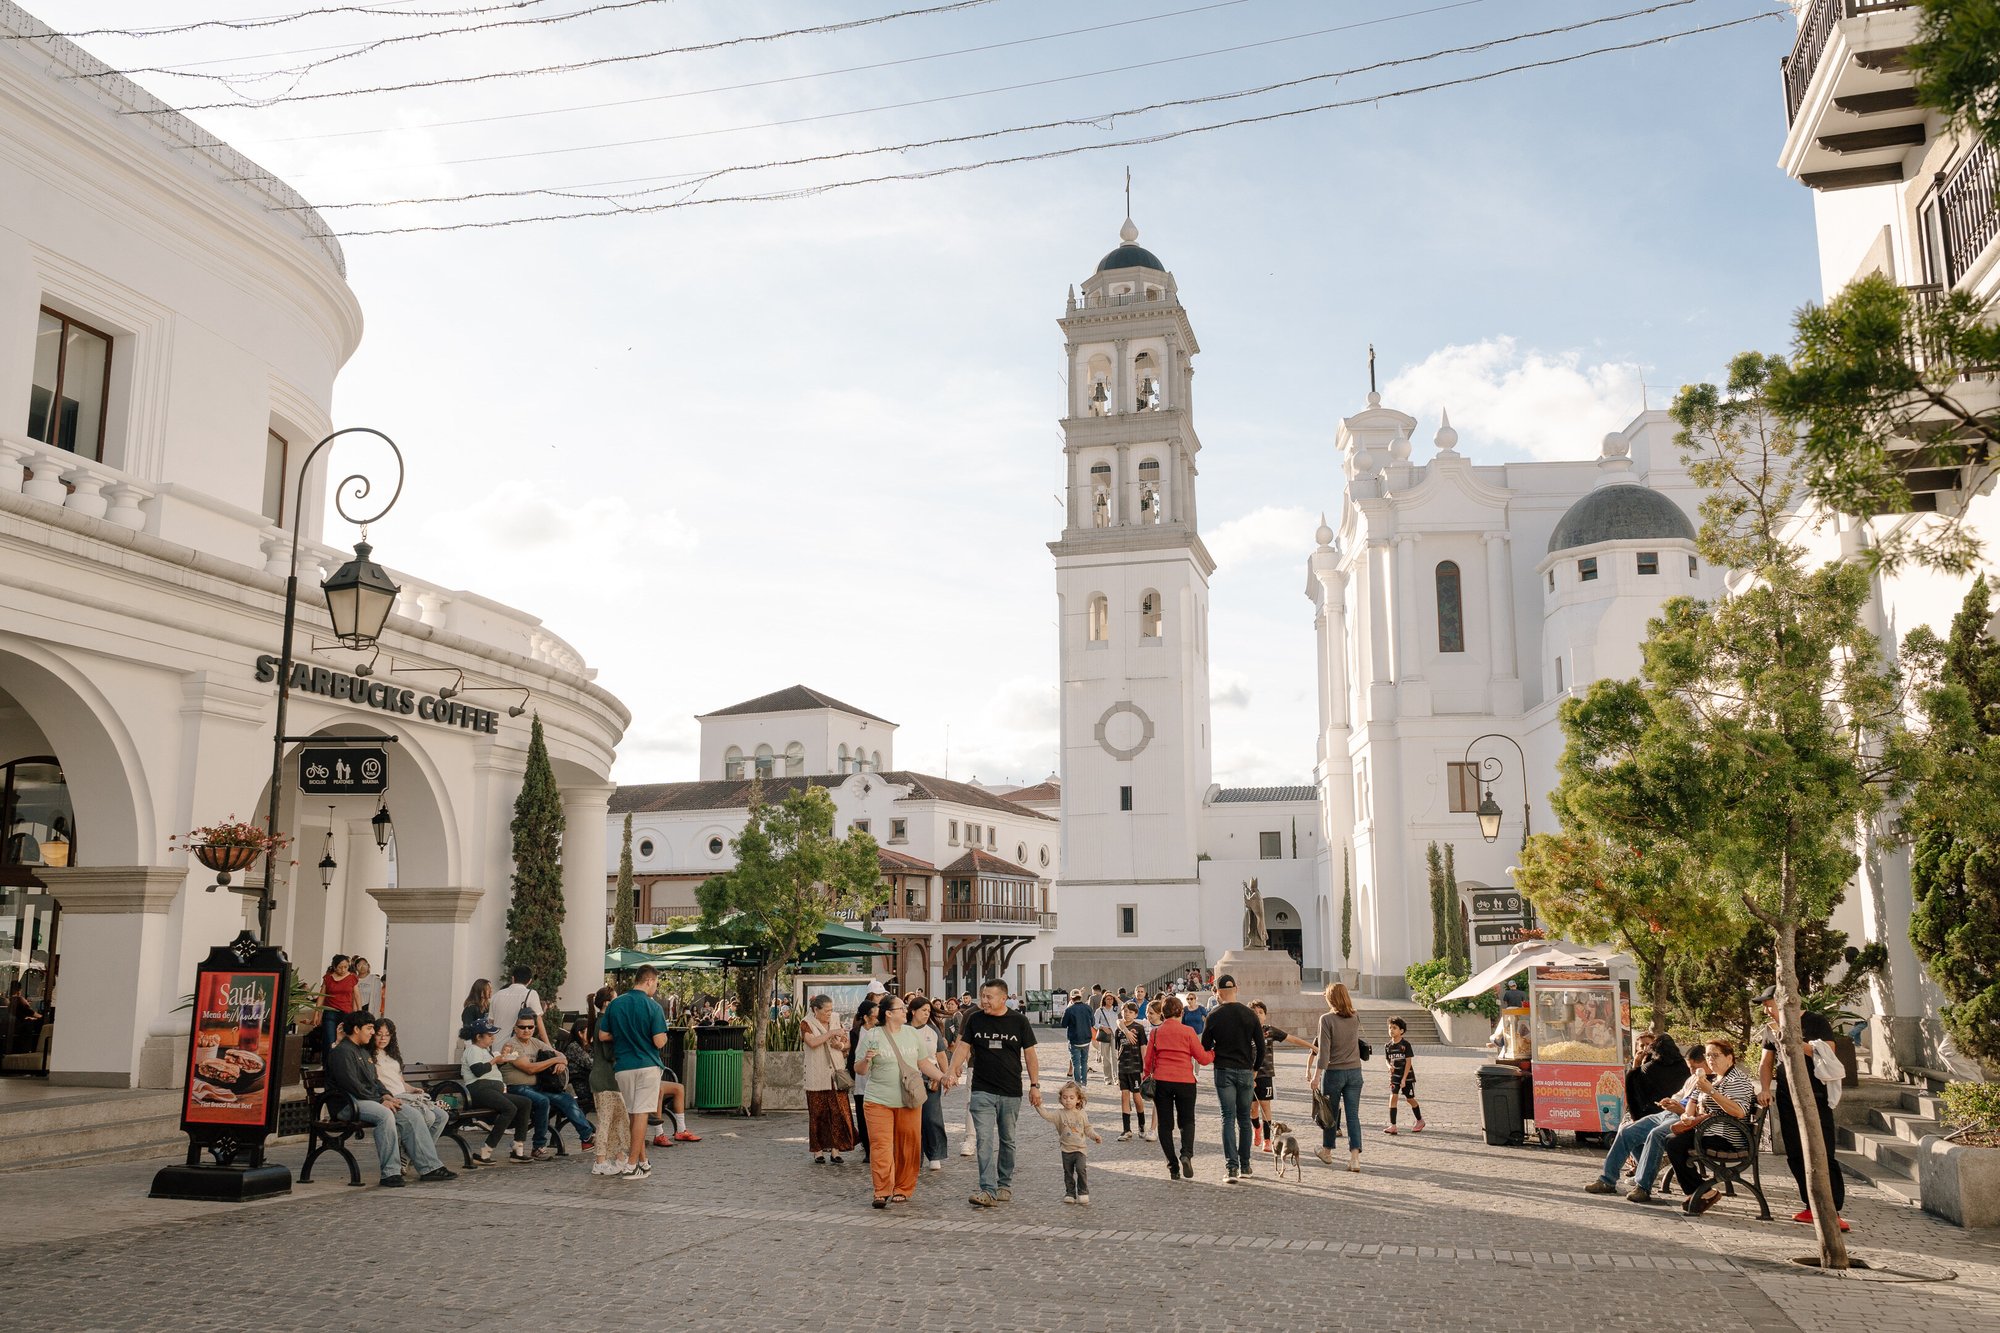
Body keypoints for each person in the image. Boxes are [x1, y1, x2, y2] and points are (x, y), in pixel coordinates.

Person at [326, 1010, 454, 1187]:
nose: (372, 1033)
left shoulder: (362, 1051)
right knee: (385, 1115)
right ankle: (390, 1173)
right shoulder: (342, 1052)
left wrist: (386, 1094)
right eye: (370, 1028)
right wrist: (381, 1101)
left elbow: (374, 1080)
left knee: (411, 1114)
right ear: (356, 1029)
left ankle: (430, 1168)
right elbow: (352, 1085)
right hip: (347, 1104)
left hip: (366, 1100)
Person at [1757, 989, 1848, 1231]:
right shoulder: (1770, 1029)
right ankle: (1810, 1205)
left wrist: (1790, 1039)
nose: (1767, 1011)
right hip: (1787, 1096)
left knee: (1823, 1151)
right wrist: (1765, 1088)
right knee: (1795, 1152)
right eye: (1765, 1007)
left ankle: (1833, 1209)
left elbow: (1828, 1050)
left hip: (1814, 1095)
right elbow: (1766, 1063)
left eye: (1769, 1005)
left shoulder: (1815, 1021)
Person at [947, 977, 1041, 1208]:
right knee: (984, 1140)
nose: (984, 1001)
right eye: (983, 996)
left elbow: (1030, 1055)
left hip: (1010, 1090)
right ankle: (987, 1189)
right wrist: (952, 1070)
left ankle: (1004, 1183)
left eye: (989, 997)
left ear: (1004, 998)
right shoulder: (975, 1019)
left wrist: (1035, 1086)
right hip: (982, 1089)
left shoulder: (1019, 1021)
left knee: (1007, 1140)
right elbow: (963, 1047)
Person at [854, 992, 950, 1207]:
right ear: (888, 1014)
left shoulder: (911, 1034)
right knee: (881, 1146)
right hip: (878, 1100)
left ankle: (903, 1188)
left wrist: (942, 1077)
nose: (906, 1011)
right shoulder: (872, 1036)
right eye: (901, 1008)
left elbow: (924, 1063)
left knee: (909, 1146)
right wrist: (866, 1060)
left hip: (908, 1100)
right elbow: (859, 1070)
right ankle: (881, 1190)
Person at [1586, 1047, 1710, 1203]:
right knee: (1627, 1131)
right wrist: (1670, 1101)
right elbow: (1680, 1094)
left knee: (1656, 1134)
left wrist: (1681, 1109)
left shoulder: (1711, 1083)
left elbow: (1702, 1112)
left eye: (1693, 1067)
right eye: (1689, 1067)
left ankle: (1643, 1187)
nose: (1691, 1071)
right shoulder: (1693, 1078)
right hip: (1668, 1113)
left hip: (1682, 1119)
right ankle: (1607, 1180)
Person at [1667, 1037, 1759, 1216]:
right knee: (1670, 1140)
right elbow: (1693, 1098)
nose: (1710, 1059)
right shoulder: (1713, 1078)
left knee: (1674, 1144)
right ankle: (1700, 1191)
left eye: (1715, 1055)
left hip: (1728, 1137)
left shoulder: (1737, 1080)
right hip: (1709, 1130)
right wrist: (1688, 1115)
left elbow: (1739, 1112)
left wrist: (1711, 1091)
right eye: (1708, 1055)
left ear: (1730, 1057)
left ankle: (1701, 1191)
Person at [599, 965, 670, 1179]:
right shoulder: (653, 1007)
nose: (655, 989)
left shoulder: (616, 1004)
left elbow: (603, 1035)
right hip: (646, 1064)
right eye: (656, 984)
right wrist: (661, 1037)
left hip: (623, 1067)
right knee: (641, 1114)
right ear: (648, 981)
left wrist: (623, 1035)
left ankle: (643, 1161)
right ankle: (632, 1164)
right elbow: (659, 1041)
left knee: (633, 1114)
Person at [1199, 974, 1266, 1182]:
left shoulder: (1214, 1015)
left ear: (1218, 992)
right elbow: (1261, 1046)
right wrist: (1255, 1069)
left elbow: (1205, 1046)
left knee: (1227, 1118)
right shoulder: (1249, 1014)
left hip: (1224, 1069)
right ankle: (1246, 1165)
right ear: (1236, 988)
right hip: (1246, 1070)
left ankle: (1231, 1168)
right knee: (1244, 1119)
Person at [498, 1015, 594, 1158]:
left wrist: (561, 1061)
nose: (526, 1030)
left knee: (566, 1098)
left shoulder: (535, 1042)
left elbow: (560, 1054)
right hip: (518, 1088)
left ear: (534, 1028)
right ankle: (538, 1146)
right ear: (515, 1029)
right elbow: (529, 1068)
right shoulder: (511, 1045)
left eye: (530, 1027)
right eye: (522, 1027)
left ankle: (587, 1138)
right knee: (543, 1101)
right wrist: (555, 1060)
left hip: (537, 1088)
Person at [1143, 994, 1211, 1182]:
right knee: (1187, 1121)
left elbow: (1148, 1060)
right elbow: (1202, 1059)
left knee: (1165, 1125)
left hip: (1162, 1080)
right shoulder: (1188, 1031)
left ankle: (1172, 1166)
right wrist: (1213, 1052)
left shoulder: (1156, 1033)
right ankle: (1186, 1154)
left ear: (1163, 1014)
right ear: (1181, 1012)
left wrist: (1145, 1076)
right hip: (1185, 1081)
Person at [370, 1017, 449, 1160]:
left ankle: (410, 1156)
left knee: (442, 1116)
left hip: (405, 1095)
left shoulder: (392, 1055)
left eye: (387, 1034)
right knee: (429, 1117)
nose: (383, 1038)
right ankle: (413, 1156)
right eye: (379, 1034)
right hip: (391, 1098)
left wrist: (413, 1089)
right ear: (373, 1034)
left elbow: (400, 1081)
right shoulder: (369, 1055)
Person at [458, 1016, 534, 1163]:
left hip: (492, 1090)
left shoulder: (485, 1050)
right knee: (509, 1108)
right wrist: (495, 1060)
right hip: (479, 1090)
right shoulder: (473, 1050)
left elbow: (490, 1068)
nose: (493, 1038)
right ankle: (486, 1150)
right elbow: (478, 1071)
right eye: (489, 1035)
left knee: (525, 1102)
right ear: (478, 1037)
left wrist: (502, 1060)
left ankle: (518, 1147)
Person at [1311, 982, 1364, 1172]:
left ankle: (1327, 1151)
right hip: (1355, 1072)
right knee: (1353, 1116)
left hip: (1334, 1073)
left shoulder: (1326, 1019)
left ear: (1330, 998)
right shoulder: (1355, 1016)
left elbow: (1323, 1053)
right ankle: (1355, 1158)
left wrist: (1316, 1076)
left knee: (1329, 1115)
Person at [1249, 1000, 1313, 1152]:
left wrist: (1312, 1046)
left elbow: (1292, 1039)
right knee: (1252, 1108)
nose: (1257, 1015)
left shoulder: (1269, 1031)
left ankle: (1266, 1139)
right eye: (1254, 1012)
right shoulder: (1245, 1031)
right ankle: (1256, 1128)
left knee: (1265, 1106)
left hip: (1265, 1074)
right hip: (1249, 1075)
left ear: (1265, 1015)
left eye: (1260, 1012)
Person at [801, 994, 856, 1165]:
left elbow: (847, 1044)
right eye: (826, 1011)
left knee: (839, 1112)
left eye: (831, 1010)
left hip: (836, 1074)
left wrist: (840, 1045)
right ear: (815, 1010)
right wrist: (831, 1033)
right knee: (818, 1114)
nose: (829, 1014)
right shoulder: (806, 1023)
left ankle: (836, 1149)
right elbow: (812, 1042)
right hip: (816, 1075)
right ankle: (818, 1151)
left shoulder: (835, 1019)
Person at [1037, 1078, 1104, 1205]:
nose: (1068, 1100)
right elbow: (1047, 1116)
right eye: (1065, 1097)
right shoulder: (1059, 1114)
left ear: (1078, 1099)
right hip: (1066, 1149)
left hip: (1080, 1149)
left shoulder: (1082, 1113)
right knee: (1068, 1173)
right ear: (1061, 1099)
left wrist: (1094, 1136)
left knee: (1080, 1169)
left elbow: (1088, 1128)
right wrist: (1038, 1105)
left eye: (1071, 1097)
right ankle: (1070, 1193)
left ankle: (1083, 1192)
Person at [585, 1006, 630, 1176]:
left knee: (617, 1119)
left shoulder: (603, 1020)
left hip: (608, 1078)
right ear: (607, 1002)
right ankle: (600, 1161)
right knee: (606, 1121)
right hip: (604, 1079)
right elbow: (608, 1053)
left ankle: (618, 1157)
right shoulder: (604, 1022)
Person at [907, 994, 949, 1171]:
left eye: (929, 1011)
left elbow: (940, 1055)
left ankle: (935, 1154)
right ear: (913, 1011)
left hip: (930, 1078)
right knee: (911, 1119)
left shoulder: (933, 1030)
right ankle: (915, 1155)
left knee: (931, 1117)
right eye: (923, 1010)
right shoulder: (903, 1029)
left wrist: (945, 1076)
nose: (926, 1013)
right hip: (908, 1079)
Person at [1624, 1031, 1690, 1131]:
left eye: (1648, 1045)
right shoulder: (1686, 1066)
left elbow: (1634, 1097)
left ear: (1653, 1048)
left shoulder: (1646, 1069)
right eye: (1642, 1045)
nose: (1645, 1048)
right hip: (1678, 1113)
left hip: (1656, 1115)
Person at [848, 997, 879, 1162]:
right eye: (875, 1016)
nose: (878, 1019)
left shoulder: (880, 1031)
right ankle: (868, 1149)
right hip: (861, 1081)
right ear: (866, 1017)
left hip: (877, 1080)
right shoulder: (856, 1033)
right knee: (862, 1116)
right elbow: (852, 1054)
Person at [1114, 1002, 1150, 1141]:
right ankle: (1126, 1129)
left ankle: (1141, 1125)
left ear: (1135, 1014)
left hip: (1135, 1067)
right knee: (1124, 1096)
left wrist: (1144, 1068)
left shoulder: (1139, 1028)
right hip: (1122, 1066)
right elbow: (1118, 1048)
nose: (1127, 1014)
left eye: (1130, 1012)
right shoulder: (1119, 1029)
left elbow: (1143, 1048)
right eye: (1125, 1011)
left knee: (1136, 1097)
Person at [1383, 1016, 1425, 1135]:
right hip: (1394, 1077)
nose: (1391, 1030)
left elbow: (1408, 1062)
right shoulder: (1387, 1046)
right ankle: (1393, 1125)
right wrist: (1389, 1066)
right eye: (1390, 1027)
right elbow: (1387, 1060)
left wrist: (1404, 1079)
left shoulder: (1405, 1044)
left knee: (1409, 1099)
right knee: (1393, 1097)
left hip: (1407, 1077)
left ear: (1401, 1031)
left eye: (1394, 1028)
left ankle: (1420, 1120)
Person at [490, 965, 546, 1046]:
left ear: (513, 978)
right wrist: (548, 1045)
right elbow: (539, 1021)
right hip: (516, 1047)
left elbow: (491, 1022)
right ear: (530, 981)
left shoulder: (496, 995)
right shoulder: (531, 994)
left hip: (496, 1045)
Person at [319, 955, 357, 1060]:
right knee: (329, 1040)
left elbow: (356, 996)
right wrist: (317, 1013)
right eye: (340, 967)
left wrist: (357, 1012)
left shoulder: (352, 977)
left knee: (345, 1041)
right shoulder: (328, 978)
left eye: (345, 967)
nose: (343, 970)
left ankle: (343, 1064)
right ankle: (328, 1067)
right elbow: (321, 996)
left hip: (346, 1012)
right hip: (330, 1011)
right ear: (334, 967)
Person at [561, 1018, 597, 1116]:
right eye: (590, 1032)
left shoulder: (589, 1047)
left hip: (587, 1081)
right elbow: (591, 1064)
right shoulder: (574, 1047)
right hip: (578, 1084)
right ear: (580, 1033)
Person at [1061, 989, 1096, 1086]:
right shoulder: (1088, 1008)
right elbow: (1093, 1023)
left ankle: (1077, 1084)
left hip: (1074, 1039)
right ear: (1080, 997)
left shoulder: (1069, 1009)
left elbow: (1063, 1024)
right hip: (1086, 1039)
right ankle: (1084, 1083)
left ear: (1071, 998)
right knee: (1084, 1062)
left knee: (1076, 1063)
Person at [1092, 989, 1120, 1085]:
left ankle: (1117, 1078)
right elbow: (1094, 1022)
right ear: (1104, 1000)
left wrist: (1115, 996)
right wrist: (1102, 1027)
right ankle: (1108, 1078)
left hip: (1115, 1034)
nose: (1110, 1001)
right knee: (1105, 1057)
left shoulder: (1115, 1009)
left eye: (1111, 999)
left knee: (1115, 1056)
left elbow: (1123, 1005)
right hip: (1104, 1035)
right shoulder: (1099, 1010)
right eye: (1108, 999)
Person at [459, 978, 492, 1053]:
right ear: (480, 991)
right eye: (488, 989)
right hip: (473, 1044)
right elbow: (467, 1029)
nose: (491, 991)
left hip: (485, 1043)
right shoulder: (470, 1008)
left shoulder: (488, 1007)